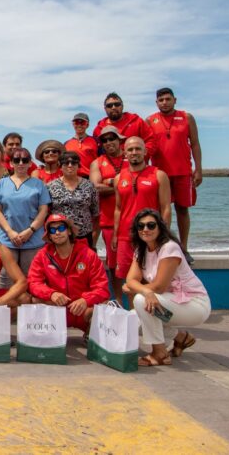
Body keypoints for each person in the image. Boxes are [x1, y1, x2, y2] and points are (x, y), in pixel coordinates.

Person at [124, 209, 211, 367]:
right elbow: (130, 280)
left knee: (141, 300)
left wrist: (141, 290)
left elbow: (159, 286)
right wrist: (142, 289)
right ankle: (181, 337)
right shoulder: (141, 250)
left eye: (151, 225)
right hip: (170, 302)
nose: (145, 229)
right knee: (132, 320)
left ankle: (160, 354)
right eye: (140, 226)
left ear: (160, 227)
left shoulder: (169, 248)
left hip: (195, 304)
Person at [27, 214, 109, 337]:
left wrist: (85, 300)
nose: (57, 233)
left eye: (61, 228)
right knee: (33, 299)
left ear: (69, 231)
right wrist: (51, 294)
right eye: (52, 230)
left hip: (82, 310)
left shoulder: (88, 254)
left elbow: (102, 288)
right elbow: (33, 283)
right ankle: (49, 335)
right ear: (49, 235)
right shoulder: (42, 255)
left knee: (104, 304)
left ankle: (91, 335)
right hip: (56, 309)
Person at [113, 137, 171, 293]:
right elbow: (118, 208)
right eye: (130, 149)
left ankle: (149, 316)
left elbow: (166, 207)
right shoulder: (118, 178)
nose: (134, 152)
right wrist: (115, 235)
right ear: (125, 153)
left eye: (138, 149)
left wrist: (164, 234)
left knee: (150, 278)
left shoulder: (159, 175)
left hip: (150, 235)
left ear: (145, 152)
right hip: (126, 237)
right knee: (130, 282)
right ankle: (134, 315)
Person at [148, 87, 203, 249]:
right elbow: (147, 146)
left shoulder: (186, 117)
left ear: (174, 100)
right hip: (160, 174)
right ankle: (161, 245)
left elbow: (195, 143)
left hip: (183, 172)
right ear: (156, 102)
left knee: (182, 209)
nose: (164, 103)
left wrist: (198, 169)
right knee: (160, 210)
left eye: (167, 99)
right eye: (161, 100)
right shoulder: (150, 120)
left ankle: (183, 247)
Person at [0, 147, 51, 284]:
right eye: (16, 160)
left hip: (33, 239)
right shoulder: (2, 183)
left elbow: (43, 210)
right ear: (11, 163)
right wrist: (10, 231)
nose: (21, 163)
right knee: (5, 278)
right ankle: (7, 305)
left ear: (30, 163)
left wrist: (30, 230)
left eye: (25, 160)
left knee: (31, 278)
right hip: (7, 238)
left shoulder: (39, 184)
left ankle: (28, 306)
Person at [88, 125, 128, 300]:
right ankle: (119, 301)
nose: (108, 142)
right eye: (104, 140)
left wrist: (110, 181)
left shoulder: (131, 157)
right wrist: (123, 185)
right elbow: (95, 187)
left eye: (112, 138)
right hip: (109, 220)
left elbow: (141, 180)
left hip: (136, 220)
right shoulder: (97, 162)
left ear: (120, 140)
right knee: (114, 264)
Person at [48, 151, 99, 247]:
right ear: (60, 165)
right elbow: (47, 212)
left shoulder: (89, 186)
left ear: (78, 165)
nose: (70, 165)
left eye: (73, 163)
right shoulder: (51, 186)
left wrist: (94, 236)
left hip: (84, 235)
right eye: (66, 163)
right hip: (59, 235)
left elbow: (95, 213)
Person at [64, 113, 97, 178]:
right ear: (73, 124)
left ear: (87, 125)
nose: (79, 125)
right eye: (76, 123)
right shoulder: (66, 144)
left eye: (82, 123)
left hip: (90, 177)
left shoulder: (96, 141)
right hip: (71, 177)